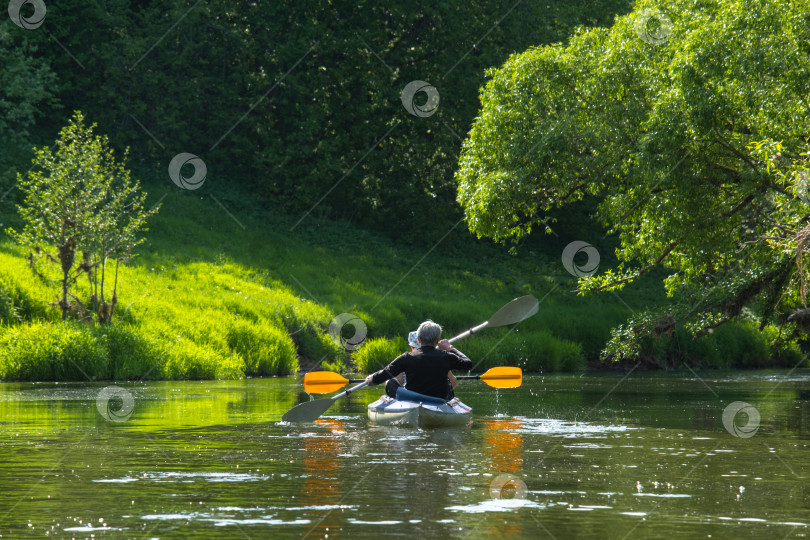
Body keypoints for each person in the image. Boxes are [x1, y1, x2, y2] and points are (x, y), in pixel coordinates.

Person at [366, 320, 472, 400]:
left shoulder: (406, 357)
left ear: (418, 339)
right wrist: (450, 348)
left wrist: (370, 379)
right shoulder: (447, 356)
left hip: (413, 400)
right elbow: (468, 364)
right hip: (439, 400)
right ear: (437, 340)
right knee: (447, 382)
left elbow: (385, 373)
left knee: (390, 383)